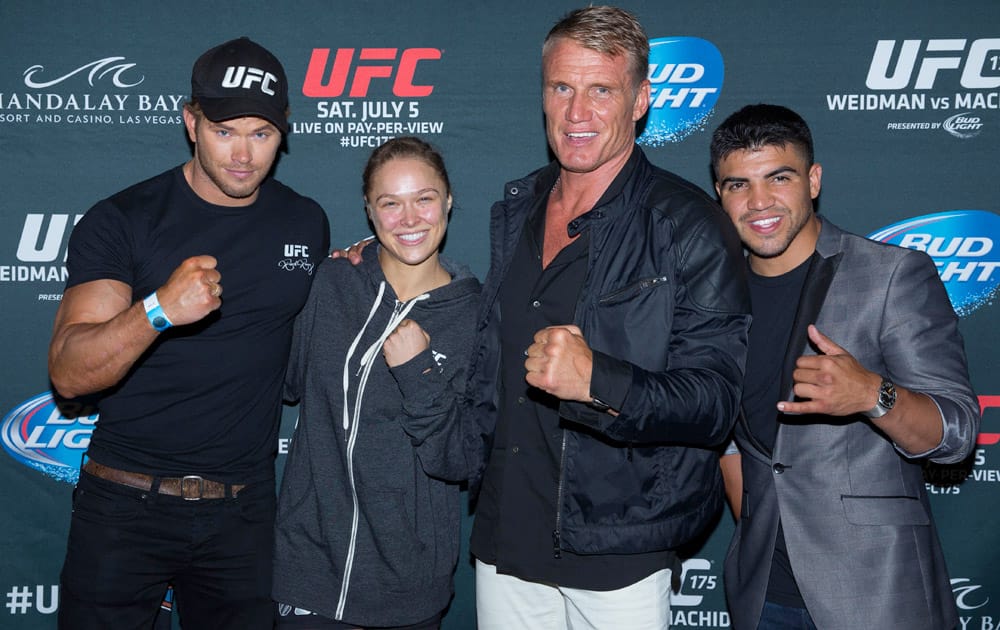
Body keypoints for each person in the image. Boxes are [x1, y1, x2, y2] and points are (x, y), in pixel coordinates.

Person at [464, 6, 750, 628]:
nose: (576, 113)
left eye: (602, 91)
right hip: (506, 537)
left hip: (619, 550)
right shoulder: (517, 206)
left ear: (641, 99)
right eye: (562, 87)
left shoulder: (687, 225)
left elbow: (717, 402)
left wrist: (599, 380)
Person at [47, 37, 330, 629]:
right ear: (191, 123)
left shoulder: (305, 221)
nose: (245, 154)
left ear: (284, 132)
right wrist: (158, 309)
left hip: (242, 512)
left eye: (262, 133)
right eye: (226, 130)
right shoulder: (123, 219)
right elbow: (69, 371)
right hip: (124, 505)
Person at [712, 104, 979, 630]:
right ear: (719, 195)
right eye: (737, 185)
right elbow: (731, 437)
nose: (759, 202)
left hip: (877, 590)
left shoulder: (890, 275)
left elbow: (957, 433)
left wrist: (873, 395)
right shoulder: (715, 294)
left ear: (813, 180)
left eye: (778, 178)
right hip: (762, 592)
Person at [272, 137, 480, 629]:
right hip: (309, 568)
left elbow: (460, 458)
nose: (410, 219)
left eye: (424, 199)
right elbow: (284, 383)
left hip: (408, 582)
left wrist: (419, 372)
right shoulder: (333, 282)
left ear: (448, 201)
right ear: (370, 211)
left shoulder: (478, 317)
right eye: (391, 203)